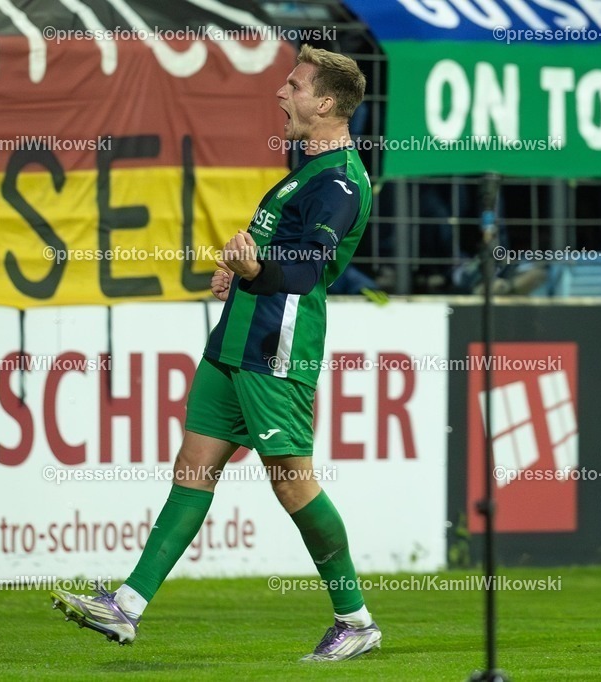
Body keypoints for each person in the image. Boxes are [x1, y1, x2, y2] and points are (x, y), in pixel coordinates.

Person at [50, 44, 382, 662]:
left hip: (275, 348)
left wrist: (255, 263)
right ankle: (127, 606)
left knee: (292, 485)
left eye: (295, 85)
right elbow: (275, 257)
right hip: (235, 339)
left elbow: (309, 268)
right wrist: (241, 272)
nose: (282, 94)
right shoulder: (304, 172)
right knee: (193, 469)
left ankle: (356, 619)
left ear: (326, 103)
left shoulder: (339, 181)